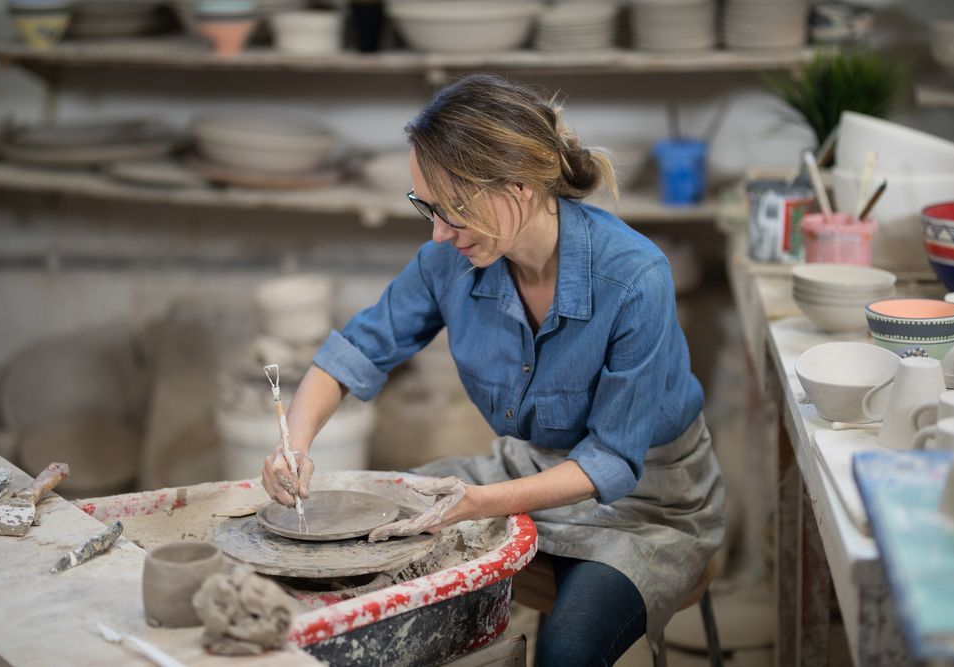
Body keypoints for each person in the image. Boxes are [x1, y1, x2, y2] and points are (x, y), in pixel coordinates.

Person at [261, 74, 724, 666]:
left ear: (521, 188)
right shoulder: (449, 260)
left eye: (453, 210)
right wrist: (293, 444)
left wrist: (481, 502)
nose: (437, 232)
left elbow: (612, 459)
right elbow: (353, 352)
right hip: (524, 470)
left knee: (568, 650)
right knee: (357, 555)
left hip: (647, 503)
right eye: (425, 207)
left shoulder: (634, 278)